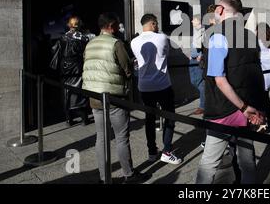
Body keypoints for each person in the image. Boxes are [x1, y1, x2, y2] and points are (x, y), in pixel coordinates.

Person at [196, 0, 266, 184]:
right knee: (247, 161)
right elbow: (256, 73)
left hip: (225, 109)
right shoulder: (250, 35)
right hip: (248, 107)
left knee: (209, 164)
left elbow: (219, 80)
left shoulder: (217, 35)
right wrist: (255, 108)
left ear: (220, 10)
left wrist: (243, 108)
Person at [82, 12, 146, 184]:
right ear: (111, 26)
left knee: (101, 138)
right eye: (117, 25)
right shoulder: (116, 43)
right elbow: (127, 68)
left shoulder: (90, 43)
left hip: (94, 96)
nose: (118, 27)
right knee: (121, 137)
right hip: (114, 96)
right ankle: (128, 174)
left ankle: (104, 177)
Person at [131, 14, 182, 165]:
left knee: (149, 118)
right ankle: (166, 151)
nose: (158, 26)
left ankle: (152, 151)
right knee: (170, 117)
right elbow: (166, 54)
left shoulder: (134, 42)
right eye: (157, 24)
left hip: (144, 86)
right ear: (153, 24)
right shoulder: (162, 38)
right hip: (162, 85)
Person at [51, 16, 90, 126]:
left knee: (66, 92)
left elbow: (54, 50)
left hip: (65, 68)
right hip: (78, 67)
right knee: (80, 92)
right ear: (79, 25)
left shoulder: (62, 38)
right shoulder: (84, 38)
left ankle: (69, 119)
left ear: (69, 25)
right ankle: (84, 118)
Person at [190, 15, 206, 115]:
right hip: (193, 59)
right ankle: (204, 104)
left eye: (193, 20)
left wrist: (200, 55)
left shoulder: (201, 30)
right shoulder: (197, 31)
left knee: (200, 83)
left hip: (197, 60)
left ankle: (203, 106)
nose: (192, 21)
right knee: (195, 81)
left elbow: (201, 44)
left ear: (198, 21)